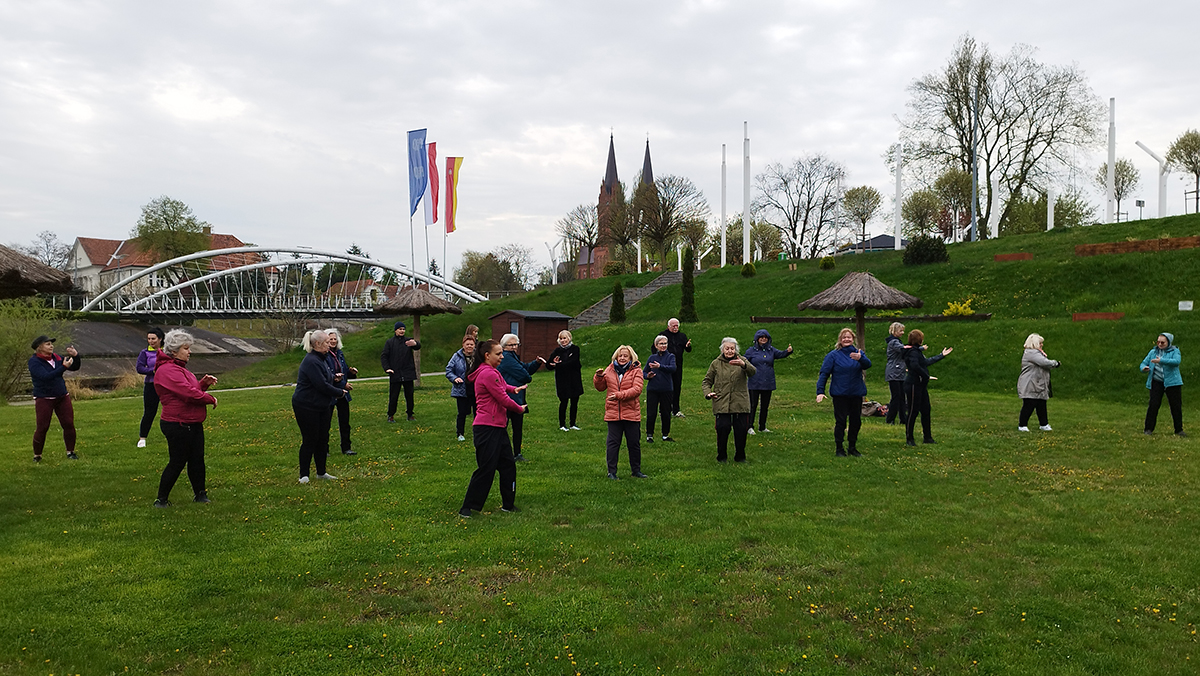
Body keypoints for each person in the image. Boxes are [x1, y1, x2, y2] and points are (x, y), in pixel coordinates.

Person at [459, 339, 527, 518]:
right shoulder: (487, 373)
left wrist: (514, 389)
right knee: (486, 469)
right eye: (498, 354)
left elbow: (502, 386)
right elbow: (502, 398)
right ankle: (467, 508)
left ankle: (508, 505)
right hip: (486, 428)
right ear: (487, 356)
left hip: (498, 427)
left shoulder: (492, 371)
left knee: (508, 466)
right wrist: (519, 409)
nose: (502, 356)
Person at [152, 329, 218, 507]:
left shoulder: (180, 369)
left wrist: (203, 384)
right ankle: (161, 499)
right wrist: (210, 399)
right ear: (174, 351)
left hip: (192, 422)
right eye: (186, 348)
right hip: (177, 423)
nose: (189, 352)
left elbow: (192, 391)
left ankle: (200, 494)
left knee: (197, 459)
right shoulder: (167, 370)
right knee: (177, 461)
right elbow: (188, 394)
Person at [294, 329, 348, 483]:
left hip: (322, 404)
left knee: (323, 438)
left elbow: (327, 378)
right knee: (310, 439)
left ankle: (321, 472)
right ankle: (304, 475)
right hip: (306, 405)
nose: (329, 345)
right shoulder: (311, 361)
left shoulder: (322, 359)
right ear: (317, 344)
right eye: (326, 342)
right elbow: (321, 385)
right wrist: (340, 392)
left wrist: (335, 378)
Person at [816, 328, 871, 457]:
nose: (846, 339)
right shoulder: (833, 355)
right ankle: (839, 448)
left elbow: (868, 365)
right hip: (840, 394)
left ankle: (852, 447)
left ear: (853, 339)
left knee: (855, 421)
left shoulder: (858, 353)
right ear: (840, 340)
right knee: (841, 422)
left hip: (856, 393)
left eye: (849, 337)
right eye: (844, 337)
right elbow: (824, 373)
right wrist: (820, 391)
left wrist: (861, 359)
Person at [595, 345, 647, 479]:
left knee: (634, 443)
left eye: (625, 356)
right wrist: (598, 377)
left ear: (631, 358)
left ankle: (636, 471)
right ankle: (611, 472)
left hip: (631, 413)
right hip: (613, 413)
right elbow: (600, 388)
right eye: (620, 356)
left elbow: (637, 389)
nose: (622, 358)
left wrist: (619, 395)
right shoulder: (610, 369)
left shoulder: (637, 371)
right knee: (613, 444)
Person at [702, 337, 757, 462]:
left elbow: (752, 372)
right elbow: (706, 381)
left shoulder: (742, 360)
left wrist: (743, 365)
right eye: (727, 348)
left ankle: (740, 457)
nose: (730, 351)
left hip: (740, 402)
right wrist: (708, 393)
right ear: (722, 350)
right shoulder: (716, 363)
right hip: (721, 401)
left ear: (736, 349)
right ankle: (721, 457)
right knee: (723, 428)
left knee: (741, 430)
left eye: (732, 348)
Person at [28, 335, 81, 462]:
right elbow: (45, 377)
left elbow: (74, 367)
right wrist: (63, 367)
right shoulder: (34, 362)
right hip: (44, 398)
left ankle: (70, 452)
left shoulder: (57, 358)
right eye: (47, 344)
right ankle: (37, 455)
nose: (51, 346)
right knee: (42, 427)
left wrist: (75, 356)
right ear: (39, 347)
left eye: (51, 344)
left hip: (62, 396)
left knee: (68, 424)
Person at [497, 333, 543, 462]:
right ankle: (506, 453)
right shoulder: (506, 358)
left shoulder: (512, 357)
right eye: (510, 345)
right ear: (504, 346)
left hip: (516, 397)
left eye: (516, 344)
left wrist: (536, 363)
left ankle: (516, 453)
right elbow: (525, 376)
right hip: (508, 398)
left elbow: (525, 368)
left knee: (516, 427)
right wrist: (527, 376)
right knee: (505, 427)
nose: (514, 347)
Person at [903, 329, 953, 446]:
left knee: (926, 410)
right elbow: (915, 366)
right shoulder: (913, 352)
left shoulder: (916, 351)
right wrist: (925, 376)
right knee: (913, 411)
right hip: (913, 384)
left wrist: (941, 355)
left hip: (920, 385)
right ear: (919, 340)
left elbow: (925, 362)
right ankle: (909, 438)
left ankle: (927, 437)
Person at [744, 329, 793, 434]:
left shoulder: (771, 350)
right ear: (757, 339)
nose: (763, 339)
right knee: (752, 405)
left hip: (768, 382)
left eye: (765, 337)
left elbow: (780, 354)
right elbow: (744, 361)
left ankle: (762, 427)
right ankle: (749, 426)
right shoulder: (751, 351)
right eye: (761, 337)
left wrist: (788, 351)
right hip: (754, 382)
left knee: (765, 406)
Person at [1140, 332, 1185, 437]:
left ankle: (1179, 430)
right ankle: (1148, 429)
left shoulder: (1175, 351)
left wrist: (1161, 360)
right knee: (1153, 405)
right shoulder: (1153, 352)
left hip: (1172, 383)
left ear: (1168, 342)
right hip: (1157, 381)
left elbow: (1176, 361)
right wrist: (1144, 368)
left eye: (1162, 342)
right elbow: (1143, 363)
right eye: (1158, 342)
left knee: (1176, 406)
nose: (1160, 344)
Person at [324, 328, 358, 455]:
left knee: (345, 422)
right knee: (326, 423)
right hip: (330, 393)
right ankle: (324, 449)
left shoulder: (339, 354)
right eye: (330, 339)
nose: (333, 341)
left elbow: (343, 371)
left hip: (343, 393)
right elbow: (327, 375)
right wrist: (343, 384)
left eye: (335, 339)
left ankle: (346, 447)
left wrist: (351, 373)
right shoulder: (324, 356)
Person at [1017, 333, 1059, 433]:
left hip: (1037, 383)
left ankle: (1044, 424)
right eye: (1040, 343)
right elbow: (1045, 363)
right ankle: (1022, 425)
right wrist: (1055, 363)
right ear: (1035, 343)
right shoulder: (1032, 353)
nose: (1042, 345)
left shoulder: (1036, 353)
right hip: (1030, 383)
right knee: (1029, 404)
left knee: (1041, 404)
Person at [381, 321, 420, 421]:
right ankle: (391, 415)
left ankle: (410, 414)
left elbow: (417, 346)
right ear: (395, 330)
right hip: (395, 373)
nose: (402, 331)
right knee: (394, 396)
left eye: (403, 329)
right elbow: (384, 356)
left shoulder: (408, 341)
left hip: (407, 373)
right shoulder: (390, 342)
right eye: (400, 329)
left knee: (409, 396)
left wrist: (415, 343)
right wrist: (387, 368)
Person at [545, 330, 583, 431]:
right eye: (561, 338)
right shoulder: (557, 351)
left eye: (564, 338)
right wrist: (553, 364)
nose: (563, 340)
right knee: (563, 402)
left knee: (574, 402)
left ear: (569, 338)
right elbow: (549, 365)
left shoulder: (575, 349)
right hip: (562, 381)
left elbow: (573, 362)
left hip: (574, 380)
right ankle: (562, 425)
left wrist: (558, 365)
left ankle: (572, 424)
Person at [643, 335, 676, 443]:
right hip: (653, 389)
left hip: (666, 389)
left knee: (666, 412)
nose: (663, 346)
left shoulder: (671, 356)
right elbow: (644, 372)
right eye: (661, 344)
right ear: (656, 345)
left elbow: (673, 368)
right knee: (651, 413)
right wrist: (648, 376)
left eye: (665, 343)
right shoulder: (652, 358)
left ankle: (665, 435)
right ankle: (649, 435)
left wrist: (660, 367)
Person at [136, 327, 165, 448]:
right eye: (149, 339)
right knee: (149, 412)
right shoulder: (145, 353)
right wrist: (152, 371)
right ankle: (142, 438)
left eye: (153, 339)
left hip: (166, 385)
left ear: (160, 339)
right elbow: (139, 368)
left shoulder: (167, 351)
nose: (151, 341)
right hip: (151, 385)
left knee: (172, 409)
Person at [657, 318, 692, 417]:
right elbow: (654, 348)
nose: (675, 328)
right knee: (665, 387)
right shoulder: (662, 335)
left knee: (677, 387)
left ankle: (676, 410)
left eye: (677, 326)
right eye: (673, 326)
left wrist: (688, 346)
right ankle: (663, 410)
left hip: (678, 365)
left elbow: (688, 350)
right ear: (668, 326)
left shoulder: (682, 336)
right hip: (666, 365)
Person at [445, 336, 477, 441]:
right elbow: (449, 370)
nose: (469, 346)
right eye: (467, 344)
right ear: (463, 345)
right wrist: (455, 378)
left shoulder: (478, 357)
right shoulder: (456, 356)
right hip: (462, 389)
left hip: (476, 390)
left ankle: (478, 433)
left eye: (471, 344)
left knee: (478, 413)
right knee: (462, 413)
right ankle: (460, 433)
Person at [883, 322, 908, 425]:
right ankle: (890, 419)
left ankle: (903, 418)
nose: (902, 333)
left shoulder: (897, 341)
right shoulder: (894, 342)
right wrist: (919, 348)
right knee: (896, 396)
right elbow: (903, 349)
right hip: (894, 372)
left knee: (902, 396)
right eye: (900, 331)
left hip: (900, 372)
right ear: (894, 331)